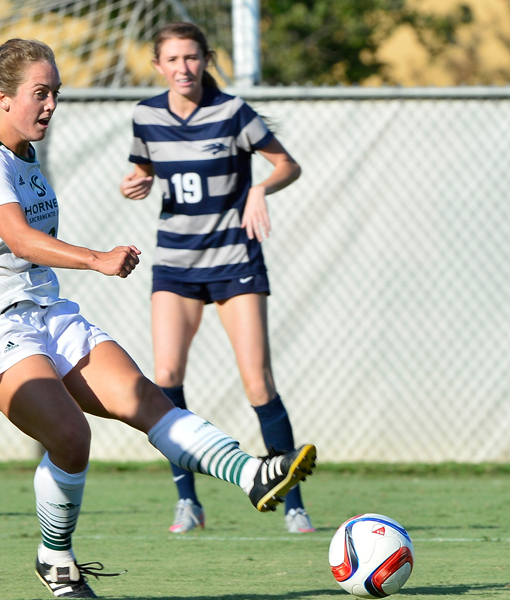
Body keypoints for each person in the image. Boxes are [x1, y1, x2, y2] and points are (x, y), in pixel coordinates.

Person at [0, 38, 315, 599]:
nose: (50, 105)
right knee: (71, 435)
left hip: (49, 311)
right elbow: (15, 236)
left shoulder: (21, 154)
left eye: (55, 94)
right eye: (40, 93)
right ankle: (56, 558)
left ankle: (252, 474)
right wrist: (95, 258)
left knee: (146, 400)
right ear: (3, 97)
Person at [119, 22, 312, 535]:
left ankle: (291, 501)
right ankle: (189, 503)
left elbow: (287, 165)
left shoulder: (233, 112)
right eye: (173, 59)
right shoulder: (146, 116)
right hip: (176, 264)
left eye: (192, 58)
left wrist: (260, 189)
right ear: (158, 66)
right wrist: (135, 182)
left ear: (206, 60)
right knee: (166, 382)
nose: (183, 68)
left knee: (257, 382)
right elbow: (144, 169)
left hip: (234, 262)